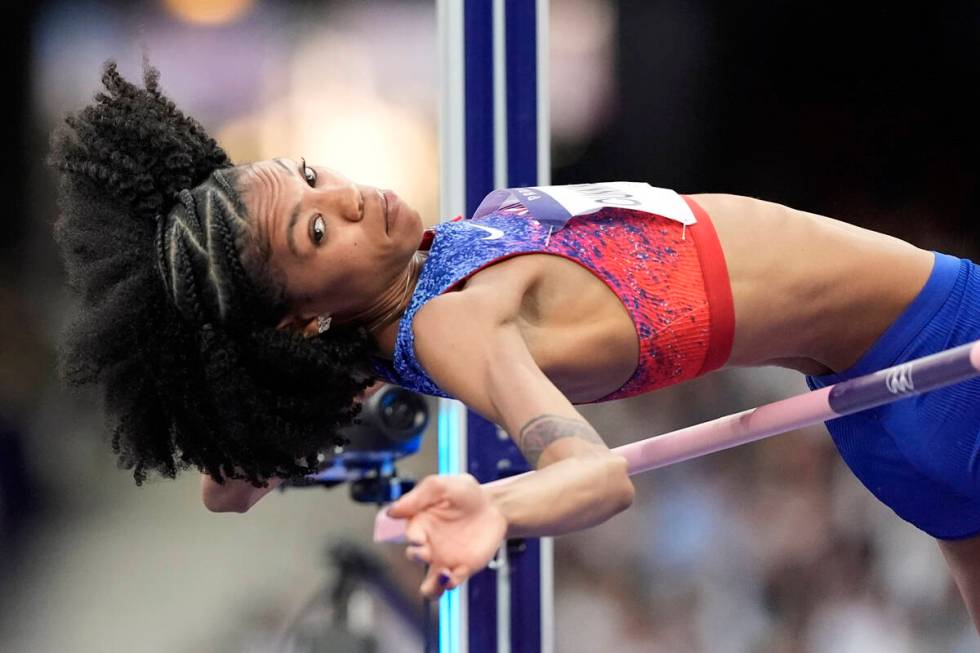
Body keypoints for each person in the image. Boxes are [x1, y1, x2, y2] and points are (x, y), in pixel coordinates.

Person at [52, 64, 980, 624]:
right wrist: (504, 510)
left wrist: (261, 414)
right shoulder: (452, 322)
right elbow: (599, 475)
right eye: (314, 234)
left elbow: (228, 487)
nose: (341, 197)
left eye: (305, 178)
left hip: (883, 408)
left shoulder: (384, 331)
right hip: (941, 343)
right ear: (301, 317)